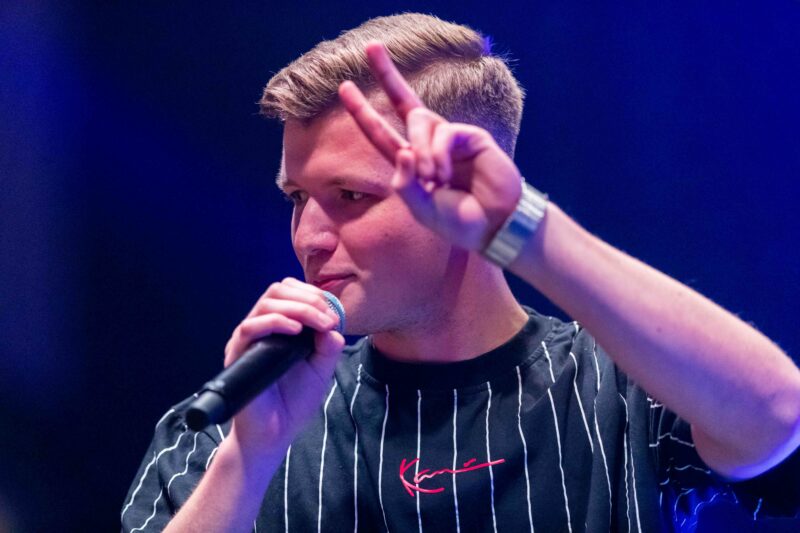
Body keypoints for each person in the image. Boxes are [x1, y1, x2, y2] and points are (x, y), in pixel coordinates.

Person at [121, 13, 800, 532]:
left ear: (462, 188)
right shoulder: (235, 422)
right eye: (297, 198)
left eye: (350, 196)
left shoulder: (617, 388)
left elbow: (778, 413)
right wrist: (250, 458)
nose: (309, 237)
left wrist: (525, 230)